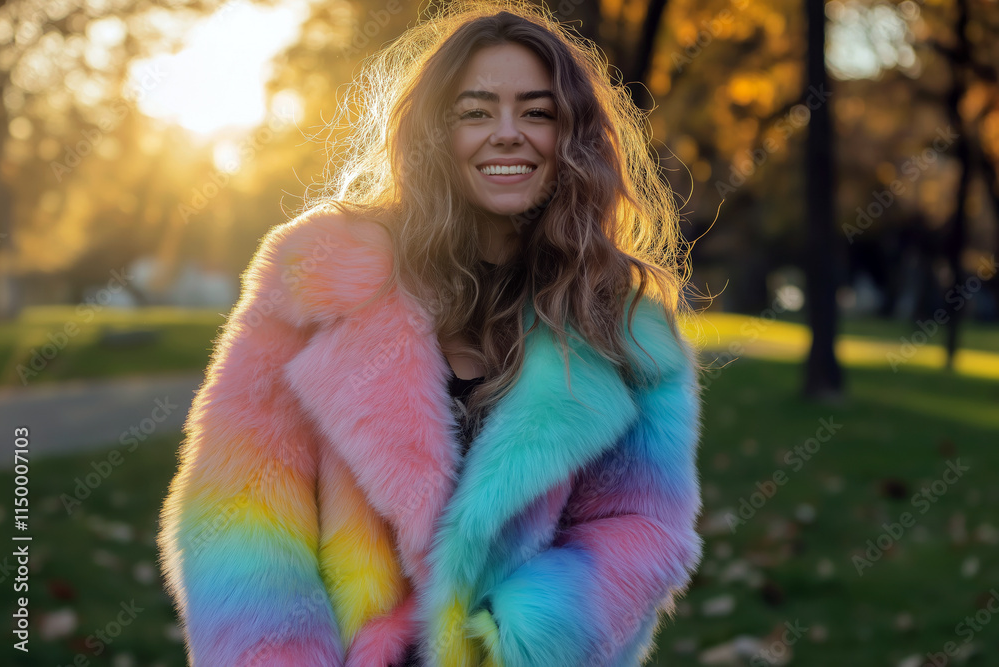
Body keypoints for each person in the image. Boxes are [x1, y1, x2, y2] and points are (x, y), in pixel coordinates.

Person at [156, 1, 704, 666]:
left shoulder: (622, 322)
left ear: (574, 138)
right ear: (434, 133)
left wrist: (512, 641)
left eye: (537, 111)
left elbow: (644, 526)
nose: (508, 133)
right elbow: (239, 508)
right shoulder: (318, 278)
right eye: (475, 111)